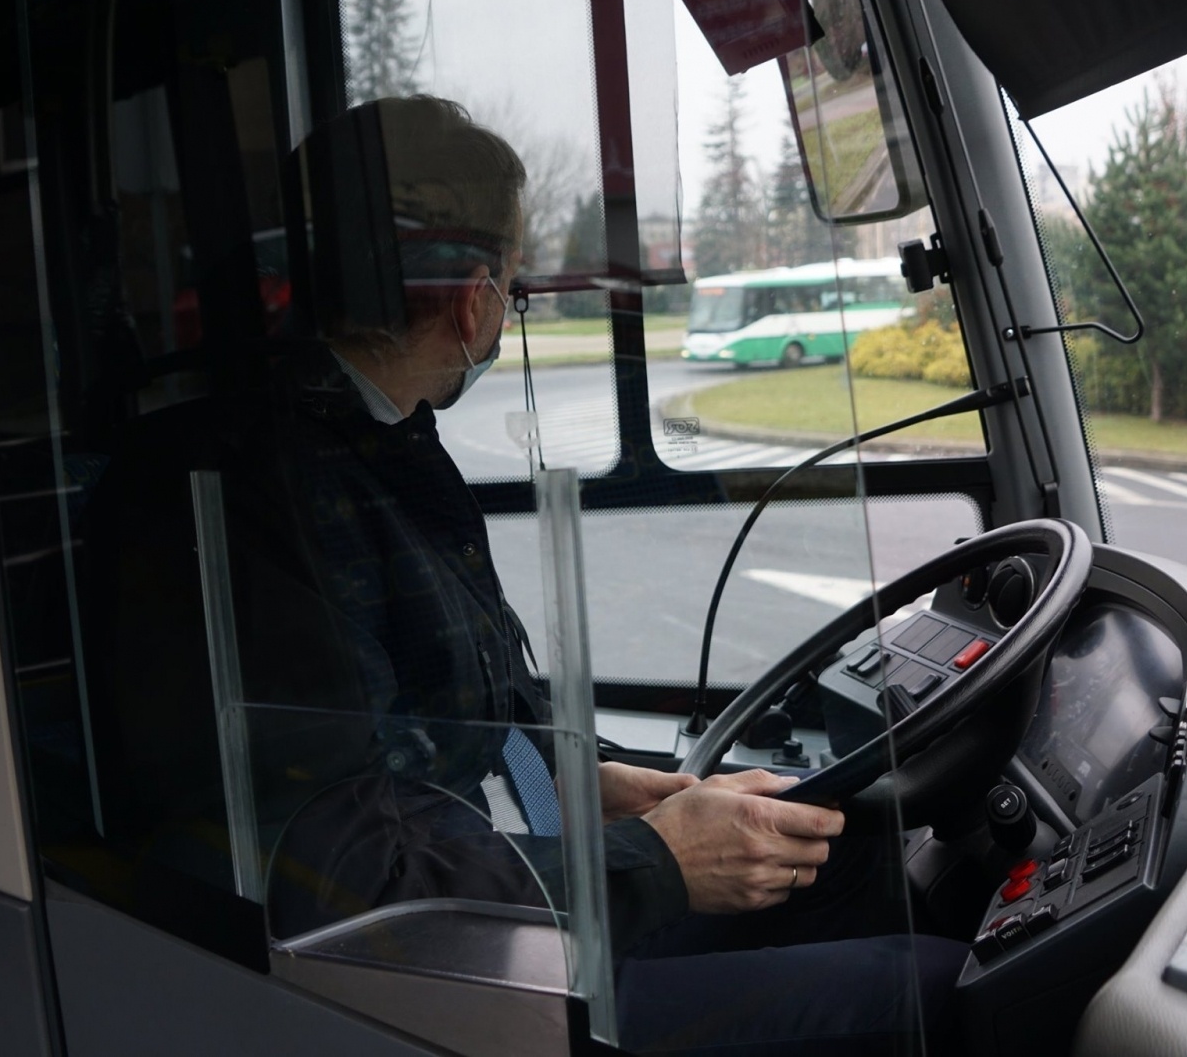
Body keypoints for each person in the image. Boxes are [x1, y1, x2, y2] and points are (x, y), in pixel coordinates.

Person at [84, 95, 962, 1056]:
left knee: (852, 854)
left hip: (515, 895)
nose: (507, 311)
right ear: (472, 300)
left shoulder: (371, 442)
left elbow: (462, 734)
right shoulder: (268, 491)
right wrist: (656, 863)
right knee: (925, 987)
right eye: (513, 288)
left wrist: (596, 787)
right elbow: (355, 887)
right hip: (455, 979)